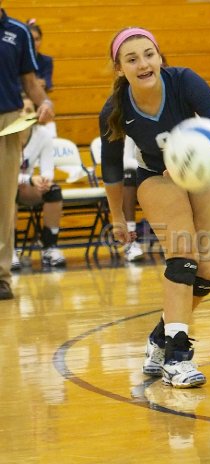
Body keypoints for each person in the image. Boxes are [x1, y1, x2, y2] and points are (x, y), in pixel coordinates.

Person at [99, 27, 210, 388]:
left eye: (149, 54)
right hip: (156, 176)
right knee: (183, 257)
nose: (143, 64)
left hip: (204, 171)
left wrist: (195, 154)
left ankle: (161, 337)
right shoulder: (115, 108)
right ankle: (177, 356)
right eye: (132, 59)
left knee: (206, 271)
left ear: (160, 56)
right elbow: (112, 168)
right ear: (119, 69)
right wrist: (118, 217)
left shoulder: (184, 81)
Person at [0, 0, 55, 300]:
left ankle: (1, 277)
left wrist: (44, 102)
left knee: (3, 201)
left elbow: (30, 82)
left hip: (7, 121)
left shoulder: (18, 32)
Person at [13, 96, 65, 269]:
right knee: (8, 191)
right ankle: (8, 250)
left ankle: (50, 247)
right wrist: (29, 179)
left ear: (35, 114)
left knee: (53, 190)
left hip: (25, 187)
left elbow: (47, 169)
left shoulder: (43, 135)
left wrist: (45, 181)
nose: (23, 114)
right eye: (19, 110)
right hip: (6, 187)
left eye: (28, 111)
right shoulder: (4, 135)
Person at [120, 136, 145, 262]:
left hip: (163, 172)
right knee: (127, 175)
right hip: (141, 170)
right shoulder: (133, 128)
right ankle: (130, 239)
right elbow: (126, 160)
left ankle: (171, 241)